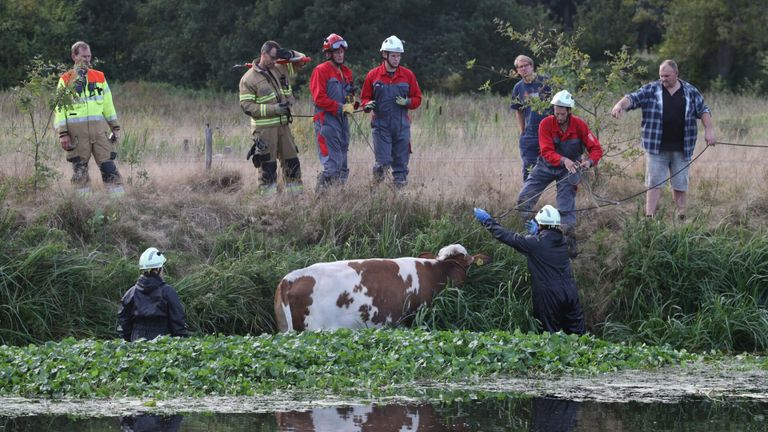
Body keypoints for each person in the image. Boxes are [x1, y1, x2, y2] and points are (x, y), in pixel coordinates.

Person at [611, 59, 716, 219]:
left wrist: (709, 130)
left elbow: (703, 110)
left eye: (667, 75)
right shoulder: (651, 89)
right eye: (661, 75)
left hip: (682, 148)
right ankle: (649, 217)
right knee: (654, 183)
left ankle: (681, 215)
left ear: (676, 74)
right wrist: (619, 105)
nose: (663, 79)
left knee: (680, 184)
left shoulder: (690, 91)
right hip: (656, 148)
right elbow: (632, 98)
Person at [474, 205, 585, 334]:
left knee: (550, 337)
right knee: (578, 335)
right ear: (556, 225)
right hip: (570, 292)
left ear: (540, 225)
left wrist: (487, 221)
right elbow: (568, 249)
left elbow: (505, 236)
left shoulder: (534, 243)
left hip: (548, 295)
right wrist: (538, 233)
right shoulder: (565, 241)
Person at [516, 90, 603, 256]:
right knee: (523, 200)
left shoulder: (580, 125)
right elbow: (547, 151)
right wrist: (564, 160)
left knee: (566, 210)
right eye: (556, 113)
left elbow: (596, 149)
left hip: (569, 172)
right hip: (545, 166)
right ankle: (530, 237)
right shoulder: (546, 124)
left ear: (569, 111)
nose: (559, 117)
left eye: (562, 114)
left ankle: (569, 248)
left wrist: (588, 162)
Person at [54, 41, 124, 197]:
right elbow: (60, 109)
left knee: (109, 167)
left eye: (89, 56)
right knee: (80, 171)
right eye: (83, 56)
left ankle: (120, 205)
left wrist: (115, 127)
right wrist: (63, 133)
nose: (87, 59)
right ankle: (84, 208)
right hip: (77, 136)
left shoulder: (99, 77)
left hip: (100, 133)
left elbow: (108, 105)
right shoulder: (65, 80)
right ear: (74, 56)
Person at [239, 41, 308, 195]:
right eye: (272, 57)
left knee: (292, 163)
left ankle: (295, 200)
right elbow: (246, 106)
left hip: (283, 127)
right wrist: (274, 109)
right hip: (264, 131)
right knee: (267, 169)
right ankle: (268, 205)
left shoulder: (279, 68)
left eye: (277, 58)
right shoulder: (248, 79)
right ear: (263, 54)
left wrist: (289, 54)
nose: (275, 61)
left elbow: (302, 61)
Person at [360, 35, 422, 188]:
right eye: (393, 56)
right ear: (385, 55)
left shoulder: (408, 75)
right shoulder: (373, 75)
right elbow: (364, 97)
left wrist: (408, 102)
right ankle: (375, 192)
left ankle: (398, 199)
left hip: (402, 126)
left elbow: (418, 98)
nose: (396, 59)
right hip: (381, 127)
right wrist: (366, 105)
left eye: (399, 56)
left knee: (401, 166)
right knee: (383, 163)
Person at [310, 33, 356, 192]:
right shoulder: (320, 70)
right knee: (332, 163)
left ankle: (337, 199)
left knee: (343, 163)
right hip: (326, 121)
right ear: (329, 53)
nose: (340, 54)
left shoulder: (347, 72)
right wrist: (340, 107)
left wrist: (350, 105)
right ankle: (320, 199)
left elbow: (350, 94)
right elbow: (319, 98)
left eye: (342, 51)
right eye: (337, 52)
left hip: (343, 121)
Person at [117, 247, 188, 341]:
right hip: (162, 343)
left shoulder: (131, 292)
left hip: (136, 342)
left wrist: (128, 344)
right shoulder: (167, 292)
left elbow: (123, 323)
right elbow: (178, 322)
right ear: (158, 269)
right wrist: (184, 341)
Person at [510, 55, 552, 181]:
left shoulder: (545, 83)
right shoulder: (518, 87)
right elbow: (518, 110)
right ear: (517, 70)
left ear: (532, 66)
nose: (523, 69)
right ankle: (528, 199)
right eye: (519, 67)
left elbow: (557, 107)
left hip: (548, 133)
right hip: (530, 135)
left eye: (525, 65)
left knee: (555, 166)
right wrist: (522, 131)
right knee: (529, 169)